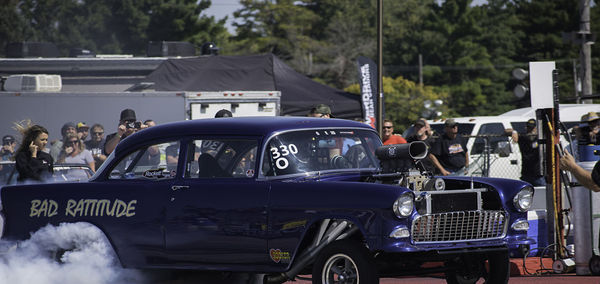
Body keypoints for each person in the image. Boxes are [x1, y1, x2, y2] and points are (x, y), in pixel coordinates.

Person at [511, 118, 545, 186]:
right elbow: (507, 131)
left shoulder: (540, 138)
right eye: (529, 128)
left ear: (536, 128)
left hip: (538, 174)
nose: (530, 130)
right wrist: (514, 132)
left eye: (532, 128)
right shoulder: (523, 137)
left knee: (542, 192)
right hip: (526, 174)